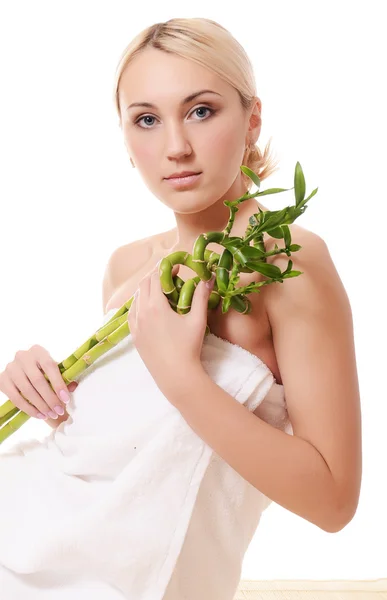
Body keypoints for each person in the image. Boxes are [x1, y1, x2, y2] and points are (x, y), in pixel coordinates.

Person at [0, 17, 362, 599]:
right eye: (146, 119)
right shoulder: (126, 267)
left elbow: (333, 500)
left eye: (200, 110)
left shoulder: (289, 261)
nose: (175, 146)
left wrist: (183, 378)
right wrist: (45, 391)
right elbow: (120, 466)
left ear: (253, 119)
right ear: (125, 138)